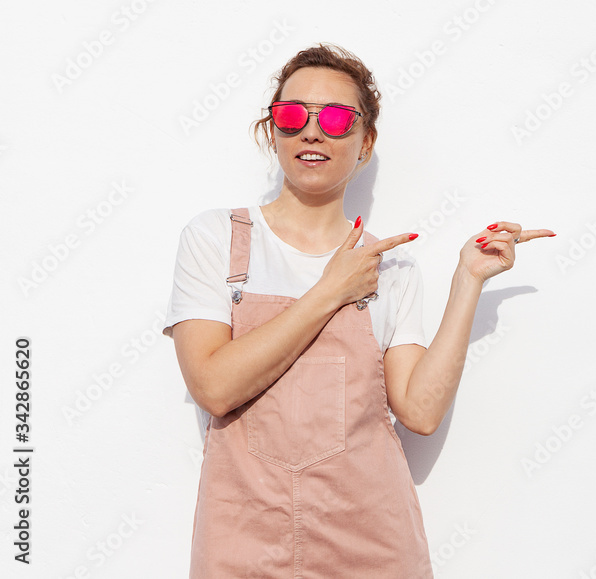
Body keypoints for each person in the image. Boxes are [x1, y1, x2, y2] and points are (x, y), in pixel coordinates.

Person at [160, 43, 555, 577]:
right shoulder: (216, 239)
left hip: (372, 542)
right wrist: (330, 291)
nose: (312, 132)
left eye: (338, 118)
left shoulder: (391, 271)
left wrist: (468, 281)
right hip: (244, 540)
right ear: (271, 130)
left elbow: (418, 411)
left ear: (365, 142)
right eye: (293, 114)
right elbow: (213, 385)